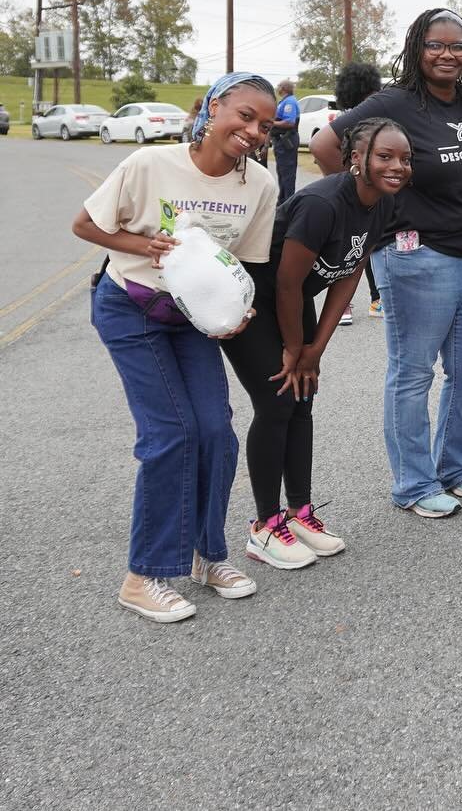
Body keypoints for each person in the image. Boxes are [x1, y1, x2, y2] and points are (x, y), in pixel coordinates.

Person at [73, 72, 280, 623]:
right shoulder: (149, 164)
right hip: (132, 308)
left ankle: (207, 557)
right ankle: (143, 577)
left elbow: (247, 265)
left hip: (192, 320)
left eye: (265, 123)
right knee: (170, 434)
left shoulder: (258, 185)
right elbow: (85, 225)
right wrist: (145, 243)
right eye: (244, 115)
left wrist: (239, 310)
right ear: (213, 108)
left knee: (215, 429)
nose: (254, 130)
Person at [311, 8, 462, 519]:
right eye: (435, 45)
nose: (447, 54)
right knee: (414, 374)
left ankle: (455, 466)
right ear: (417, 48)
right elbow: (326, 143)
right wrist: (370, 198)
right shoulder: (395, 101)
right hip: (417, 257)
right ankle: (414, 483)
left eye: (457, 46)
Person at [222, 117, 412, 570]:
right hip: (252, 301)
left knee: (303, 399)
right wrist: (294, 349)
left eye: (405, 159)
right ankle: (264, 526)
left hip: (293, 302)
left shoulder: (384, 203)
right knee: (276, 402)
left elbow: (348, 275)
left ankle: (299, 513)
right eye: (385, 156)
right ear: (354, 159)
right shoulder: (321, 204)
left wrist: (315, 349)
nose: (397, 166)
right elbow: (287, 283)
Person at [335, 61, 387, 321]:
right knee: (347, 248)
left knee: (370, 245)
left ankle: (377, 298)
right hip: (348, 190)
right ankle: (343, 305)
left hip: (373, 192)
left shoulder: (380, 120)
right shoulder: (349, 121)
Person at [272, 79, 301, 203]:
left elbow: (289, 122)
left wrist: (272, 123)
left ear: (283, 88)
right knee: (282, 172)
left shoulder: (289, 102)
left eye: (278, 85)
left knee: (287, 173)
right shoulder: (284, 101)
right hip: (281, 141)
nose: (277, 88)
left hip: (286, 140)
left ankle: (288, 202)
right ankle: (282, 200)